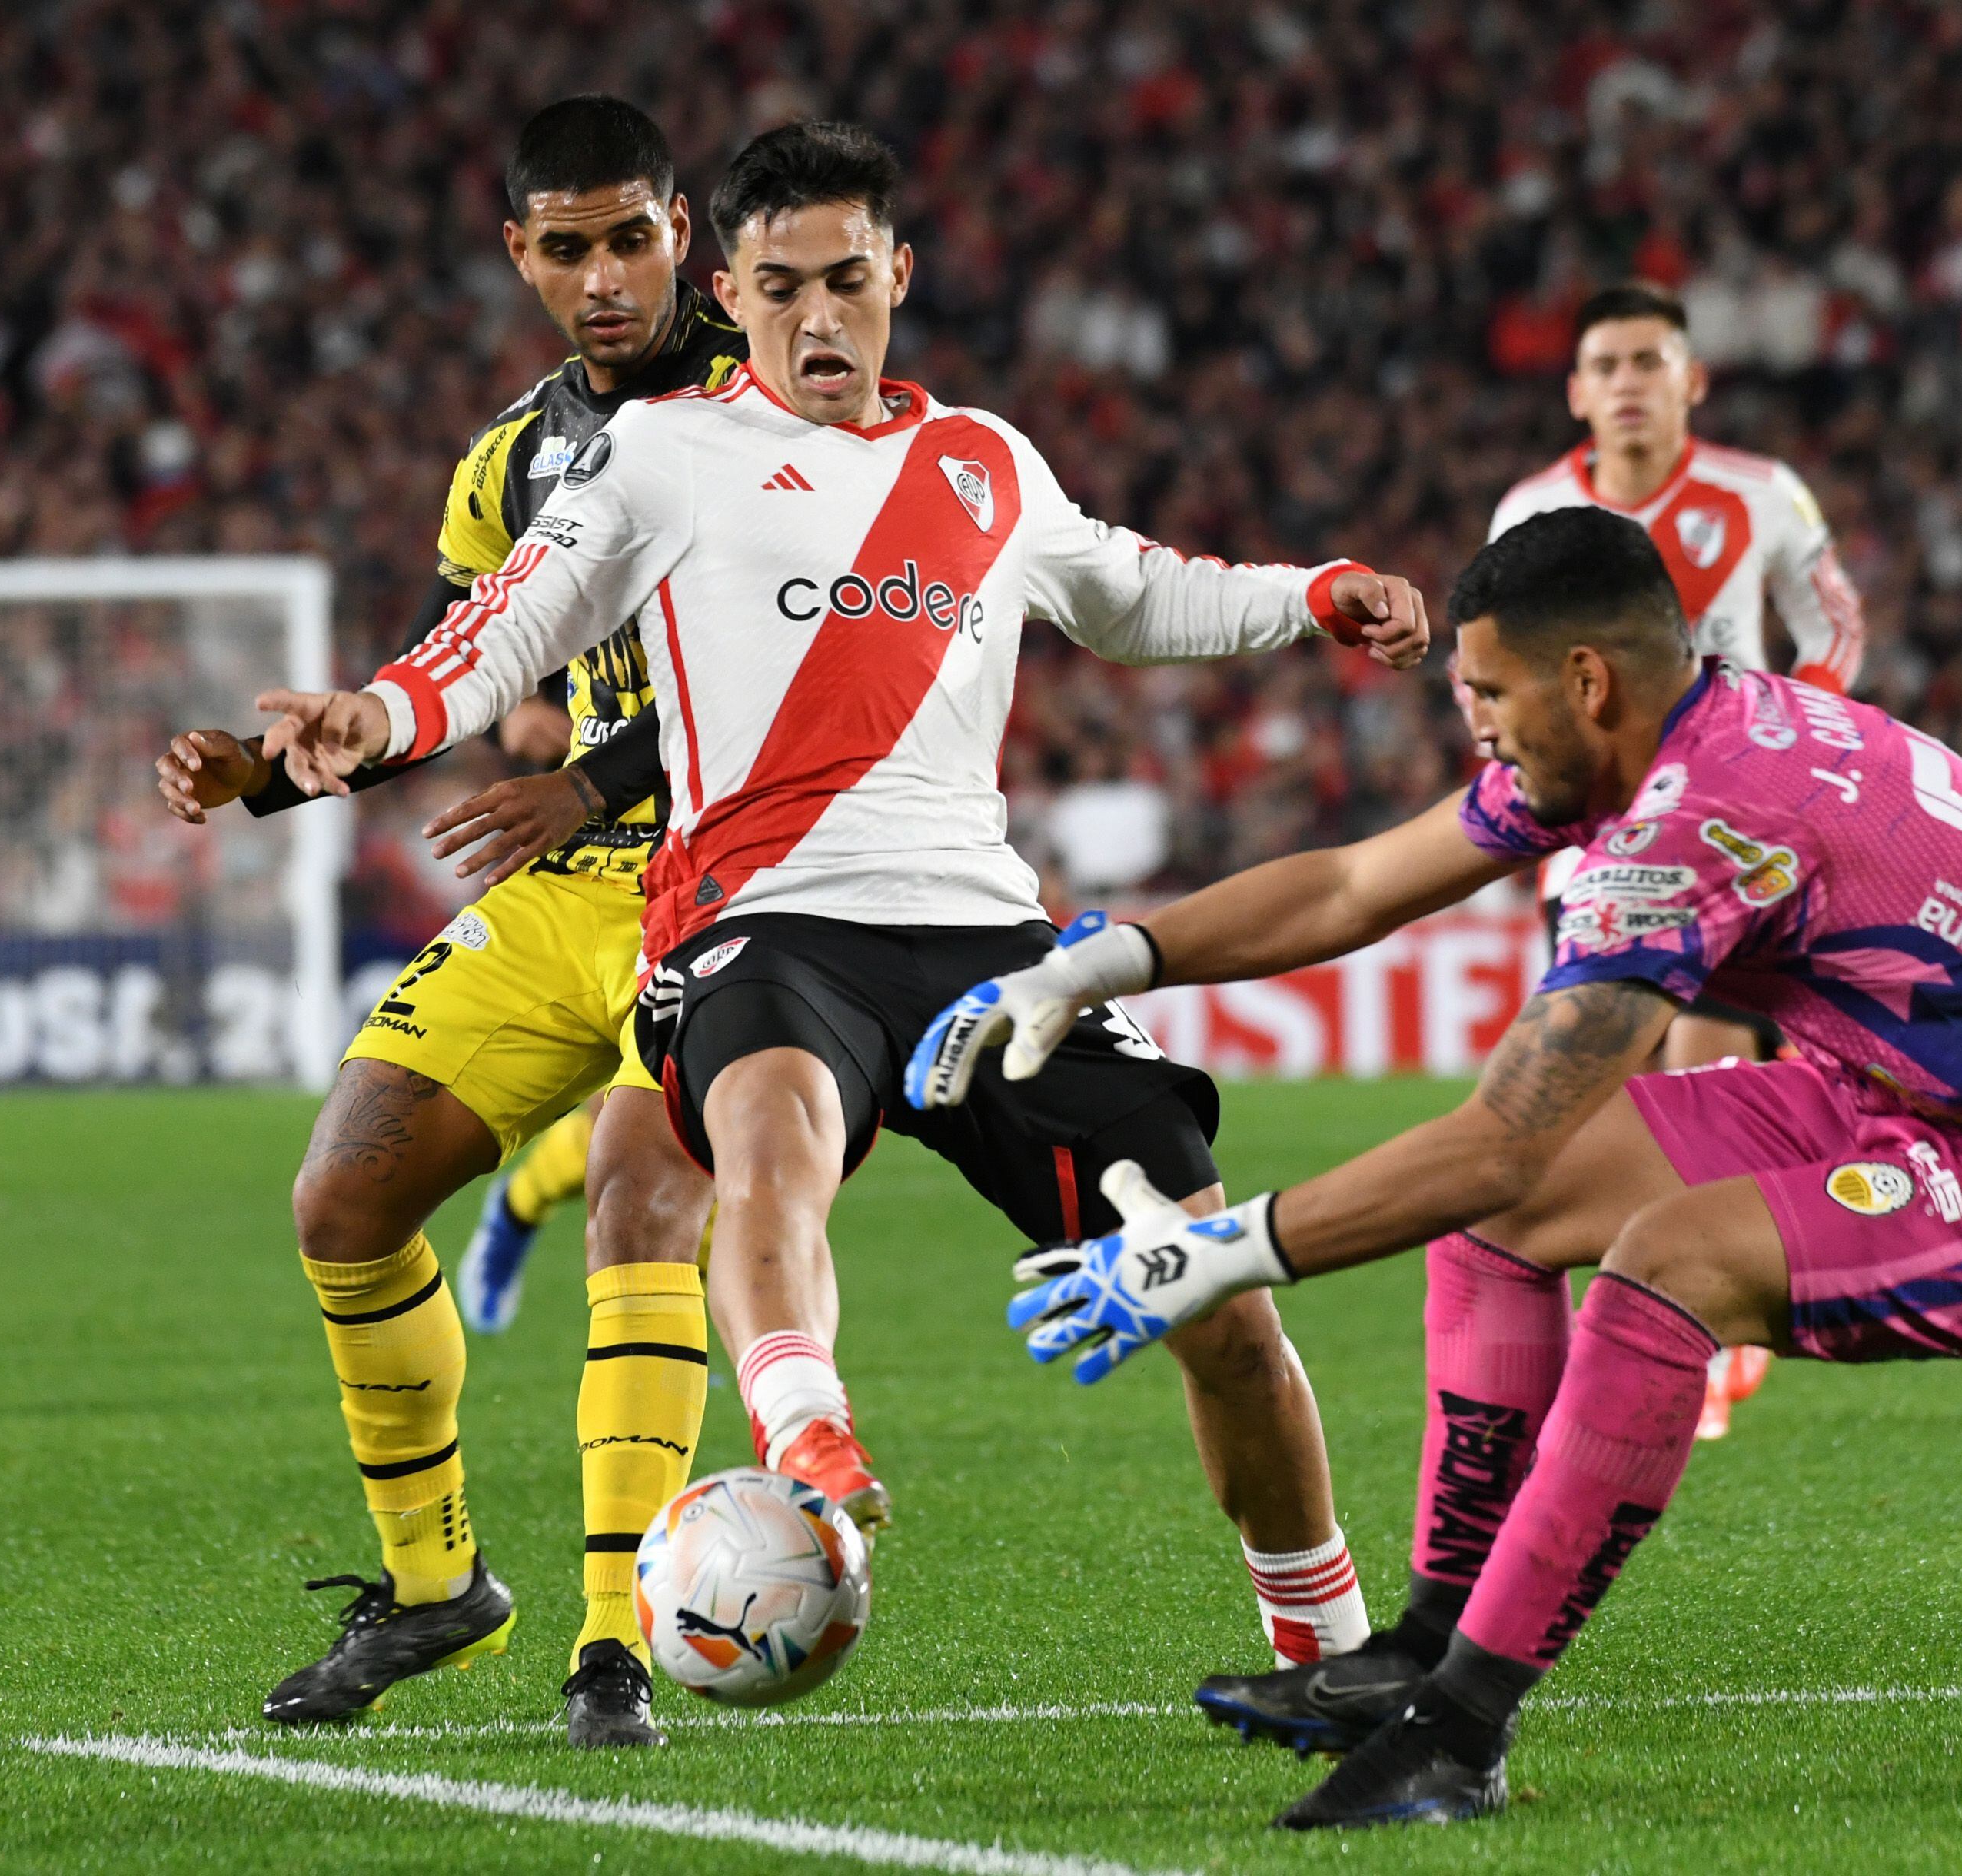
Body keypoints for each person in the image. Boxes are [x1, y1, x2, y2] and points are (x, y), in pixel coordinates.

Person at [248, 121, 1435, 1675]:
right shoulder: (662, 457)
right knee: (769, 1130)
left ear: (900, 277)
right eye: (783, 285)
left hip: (993, 940)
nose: (821, 318)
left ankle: (1331, 1649)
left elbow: (1139, 592)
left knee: (1205, 1281)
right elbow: (502, 629)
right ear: (727, 290)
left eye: (850, 281)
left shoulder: (987, 464)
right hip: (765, 919)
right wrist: (376, 718)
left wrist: (1312, 593)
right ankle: (807, 1432)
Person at [909, 507, 1962, 1829]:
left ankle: (1459, 1731)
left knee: (1662, 1265)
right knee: (1512, 1217)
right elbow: (1358, 885)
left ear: (1587, 680)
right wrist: (1105, 961)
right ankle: (1418, 1652)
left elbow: (1498, 1139)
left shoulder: (1701, 823)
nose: (1472, 721)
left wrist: (1215, 1255)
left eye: (1484, 690)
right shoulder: (1651, 738)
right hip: (1885, 1090)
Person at [155, 95, 743, 1748]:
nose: (607, 275)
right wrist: (265, 774)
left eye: (633, 236)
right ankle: (436, 1586)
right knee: (345, 1189)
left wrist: (599, 778)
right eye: (569, 247)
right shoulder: (513, 455)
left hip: (745, 879)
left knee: (638, 1194)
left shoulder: (779, 412)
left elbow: (828, 664)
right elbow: (453, 662)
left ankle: (616, 1636)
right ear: (520, 254)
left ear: (681, 228)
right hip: (572, 885)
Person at [1491, 281, 1871, 1435]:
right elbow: (1503, 667)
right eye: (1605, 364)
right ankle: (1649, 1312)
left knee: (1708, 1076)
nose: (1627, 384)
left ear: (1691, 379)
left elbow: (1835, 626)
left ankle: (1709, 1322)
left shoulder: (1759, 496)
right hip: (1594, 839)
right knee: (1609, 1088)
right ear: (1576, 392)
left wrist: (1783, 742)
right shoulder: (1532, 509)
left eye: (1649, 362)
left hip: (1731, 836)